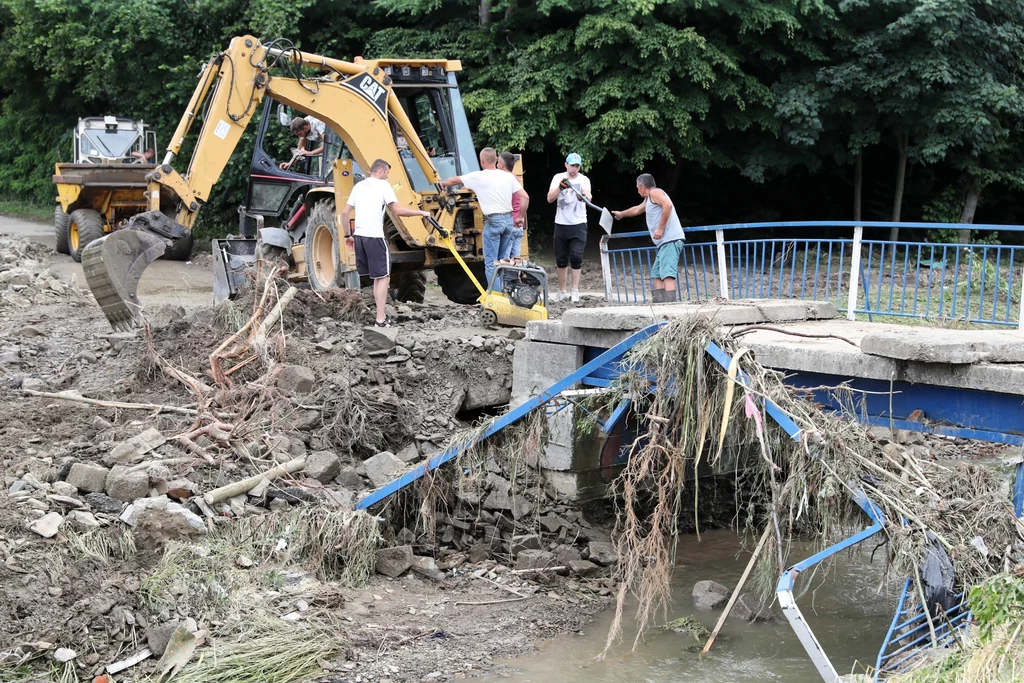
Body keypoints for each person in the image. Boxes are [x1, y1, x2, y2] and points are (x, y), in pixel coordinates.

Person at [340, 159, 431, 327]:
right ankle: (380, 319)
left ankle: (379, 317)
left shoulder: (358, 186)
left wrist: (347, 236)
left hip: (359, 237)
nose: (388, 177)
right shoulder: (383, 186)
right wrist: (421, 212)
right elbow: (397, 210)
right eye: (387, 173)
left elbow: (345, 214)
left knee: (377, 277)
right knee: (384, 277)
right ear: (381, 171)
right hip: (375, 237)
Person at [439, 147, 529, 287]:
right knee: (502, 261)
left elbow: (453, 180)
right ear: (496, 160)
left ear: (482, 161)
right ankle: (505, 295)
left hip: (493, 222)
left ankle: (496, 298)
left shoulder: (478, 176)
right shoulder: (508, 176)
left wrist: (442, 183)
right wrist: (521, 217)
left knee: (491, 263)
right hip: (508, 222)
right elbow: (525, 197)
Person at [611, 173, 686, 303]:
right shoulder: (648, 199)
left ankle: (671, 306)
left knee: (667, 274)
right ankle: (659, 304)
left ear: (642, 186)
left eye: (637, 187)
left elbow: (668, 206)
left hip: (670, 240)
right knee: (656, 275)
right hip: (663, 244)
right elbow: (637, 210)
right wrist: (622, 214)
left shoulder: (655, 193)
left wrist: (660, 228)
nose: (637, 190)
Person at [546, 152, 592, 303]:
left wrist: (583, 196)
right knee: (561, 259)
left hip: (578, 223)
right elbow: (549, 198)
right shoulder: (557, 178)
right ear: (566, 164)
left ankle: (575, 291)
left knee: (576, 257)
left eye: (577, 166)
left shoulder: (583, 179)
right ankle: (562, 291)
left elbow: (588, 195)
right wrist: (560, 187)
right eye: (572, 165)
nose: (574, 169)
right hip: (561, 223)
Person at [497, 151, 523, 258]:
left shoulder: (504, 180)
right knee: (516, 262)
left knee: (505, 261)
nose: (496, 165)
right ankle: (516, 275)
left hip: (509, 224)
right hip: (518, 226)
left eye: (498, 163)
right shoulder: (516, 178)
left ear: (502, 165)